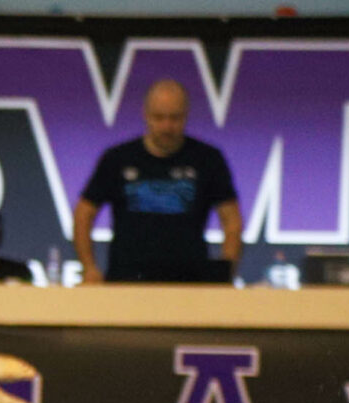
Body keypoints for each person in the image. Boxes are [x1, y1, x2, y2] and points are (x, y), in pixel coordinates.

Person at [73, 79, 242, 284]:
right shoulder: (118, 159)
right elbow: (84, 213)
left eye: (175, 118)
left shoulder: (207, 159)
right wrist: (89, 267)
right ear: (145, 115)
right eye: (159, 117)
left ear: (186, 116)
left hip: (190, 284)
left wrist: (226, 272)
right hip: (126, 281)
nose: (167, 126)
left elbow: (231, 219)